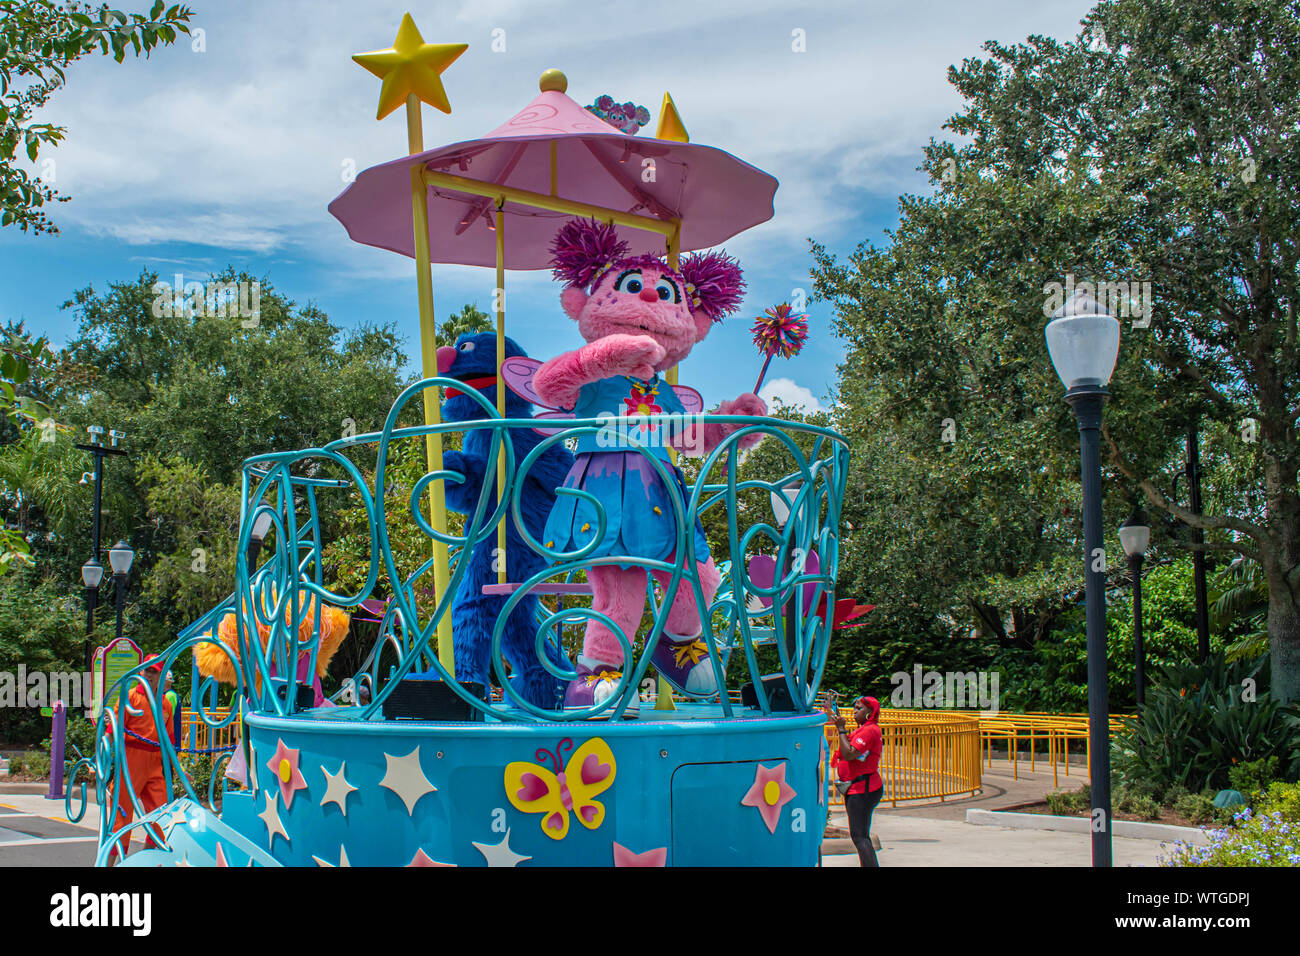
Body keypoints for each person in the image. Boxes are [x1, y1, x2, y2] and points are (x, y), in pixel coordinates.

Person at [109, 654, 177, 862]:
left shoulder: (165, 703)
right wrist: (105, 757)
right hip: (131, 759)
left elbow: (169, 739)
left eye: (154, 671)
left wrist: (178, 768)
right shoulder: (130, 696)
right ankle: (109, 863)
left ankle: (145, 861)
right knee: (121, 816)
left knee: (163, 815)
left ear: (160, 675)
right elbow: (114, 728)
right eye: (147, 670)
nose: (149, 675)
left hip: (156, 761)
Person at [829, 695, 884, 867]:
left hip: (863, 789)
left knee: (859, 836)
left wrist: (842, 730)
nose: (854, 712)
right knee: (861, 835)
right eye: (855, 708)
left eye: (859, 709)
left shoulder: (869, 731)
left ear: (870, 713)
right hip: (858, 788)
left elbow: (849, 753)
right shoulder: (864, 729)